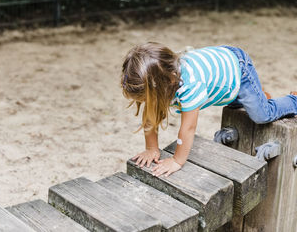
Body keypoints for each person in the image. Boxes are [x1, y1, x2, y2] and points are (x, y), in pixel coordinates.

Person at [121, 42, 297, 178]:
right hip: (222, 82)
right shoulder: (165, 78)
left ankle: (293, 100)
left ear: (165, 84)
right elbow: (151, 114)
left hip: (238, 69)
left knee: (262, 114)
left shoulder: (190, 85)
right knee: (237, 105)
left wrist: (177, 160)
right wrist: (152, 148)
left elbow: (188, 128)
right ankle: (259, 96)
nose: (147, 104)